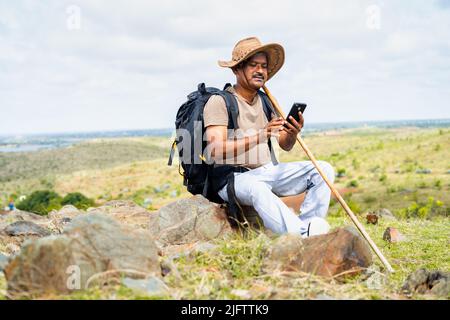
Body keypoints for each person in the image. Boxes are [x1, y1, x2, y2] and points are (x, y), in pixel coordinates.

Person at [203, 37, 335, 237]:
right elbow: (216, 150)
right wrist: (261, 135)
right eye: (253, 65)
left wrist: (292, 132)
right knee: (257, 187)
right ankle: (299, 235)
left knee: (322, 169)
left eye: (264, 66)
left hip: (266, 171)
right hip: (232, 178)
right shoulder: (219, 102)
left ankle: (310, 225)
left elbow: (285, 145)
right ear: (237, 69)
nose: (260, 71)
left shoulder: (266, 101)